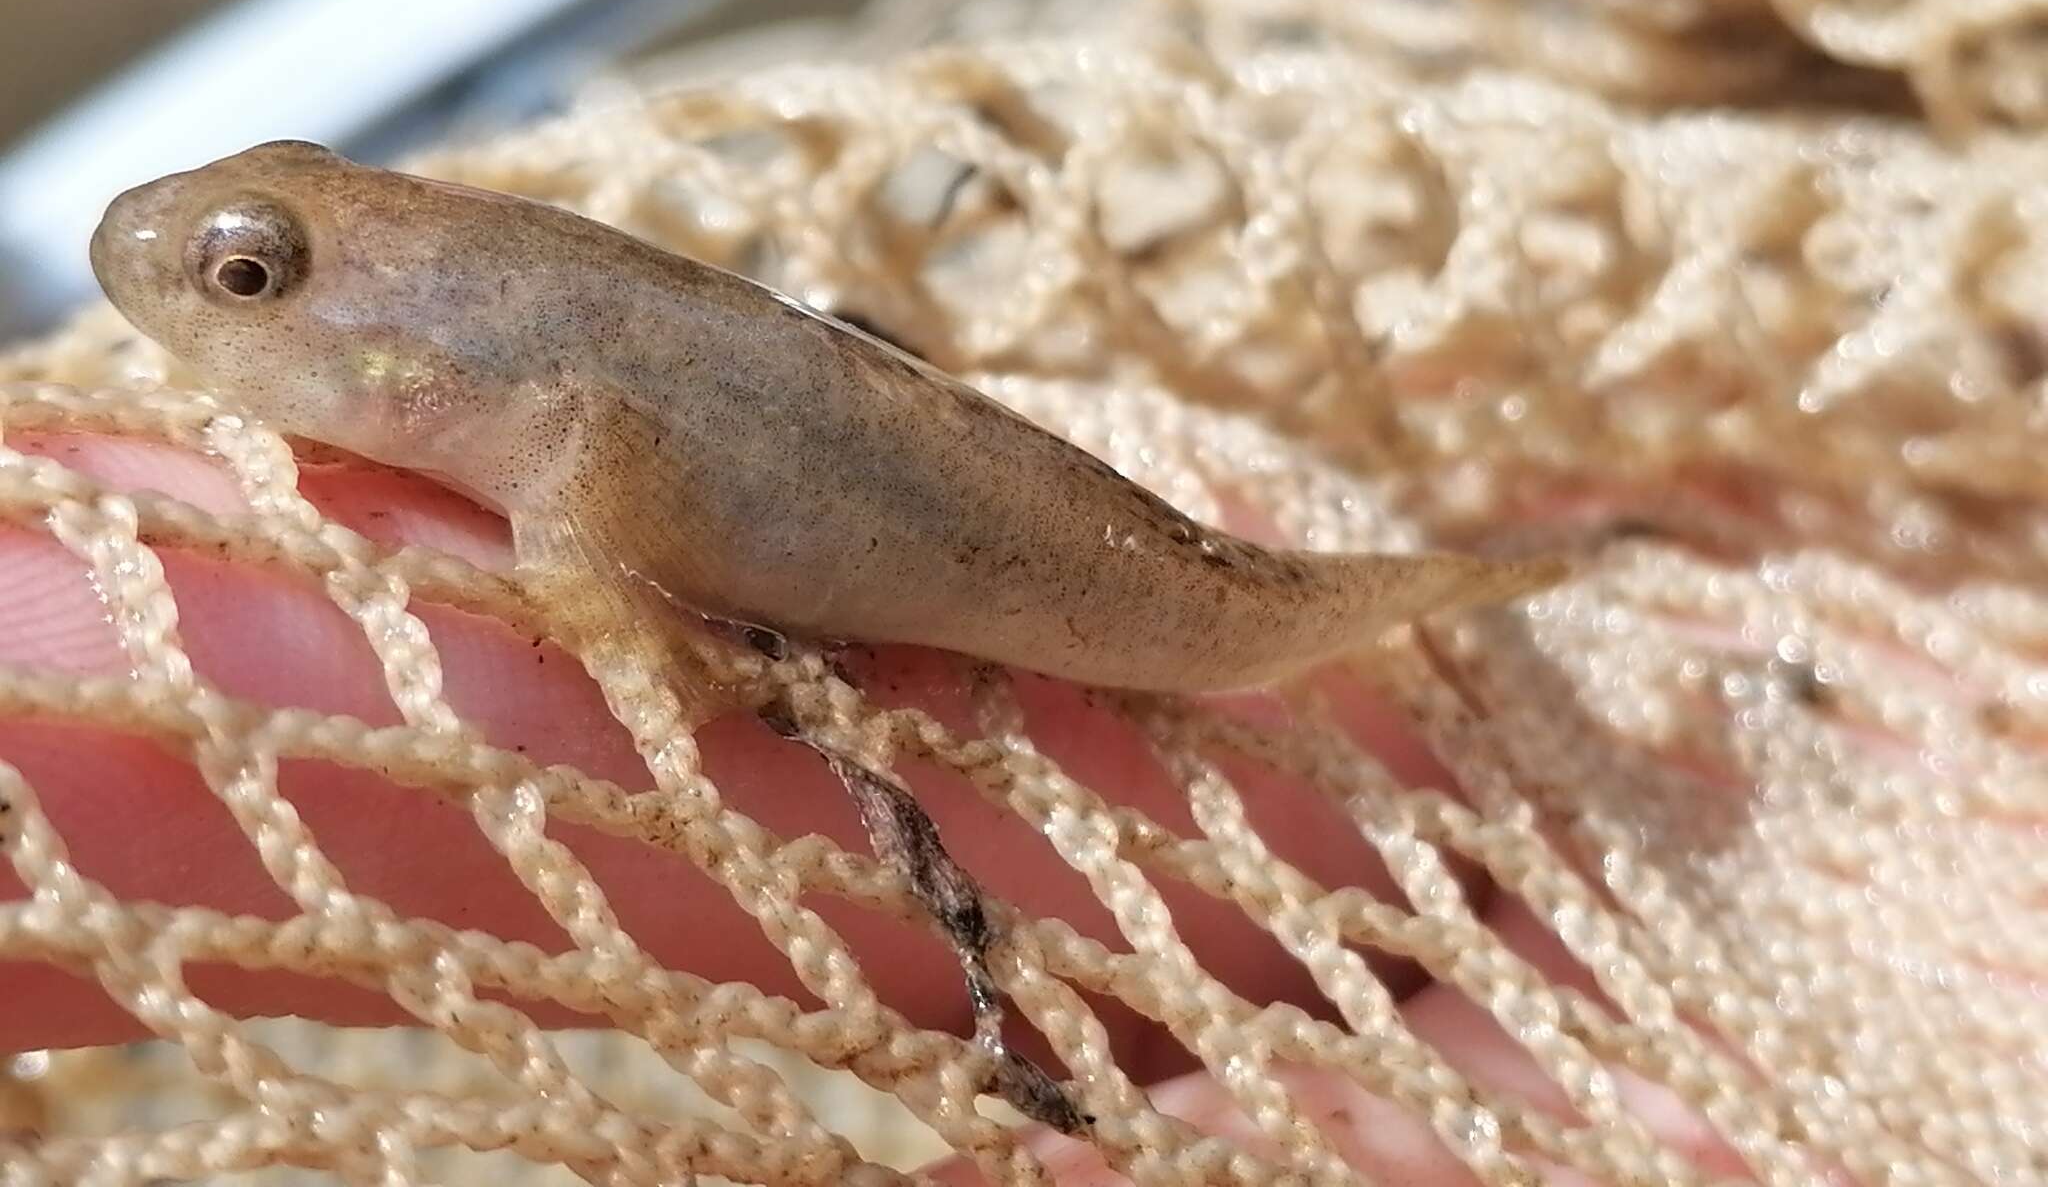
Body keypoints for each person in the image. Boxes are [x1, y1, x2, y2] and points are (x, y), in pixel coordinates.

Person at [0, 428, 1747, 1182]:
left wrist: (613, 612)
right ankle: (1508, 577)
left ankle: (1515, 580)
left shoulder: (537, 402)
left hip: (1178, 612)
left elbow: (587, 494)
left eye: (249, 275)